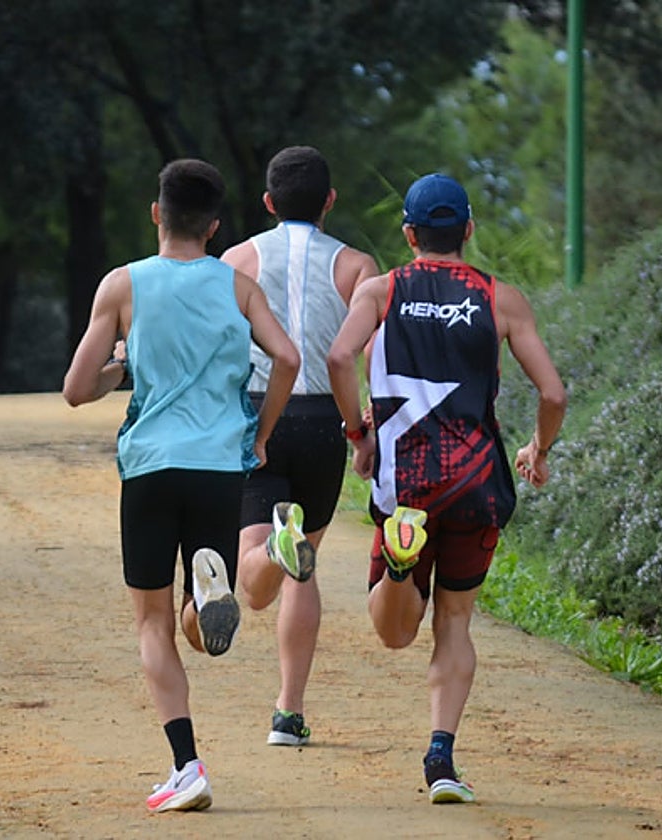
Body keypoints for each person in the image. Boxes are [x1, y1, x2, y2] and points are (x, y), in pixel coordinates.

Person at [62, 158, 300, 813]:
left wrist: (120, 367)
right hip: (220, 466)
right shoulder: (237, 286)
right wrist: (260, 433)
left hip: (149, 467)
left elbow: (76, 390)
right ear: (216, 226)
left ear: (156, 214)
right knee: (198, 613)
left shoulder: (123, 285)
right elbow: (287, 357)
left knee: (151, 624)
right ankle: (208, 599)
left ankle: (185, 765)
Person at [326, 173, 566, 804]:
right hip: (477, 480)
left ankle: (402, 568)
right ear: (468, 230)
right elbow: (553, 393)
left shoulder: (381, 291)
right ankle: (441, 757)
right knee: (455, 621)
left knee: (394, 630)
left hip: (404, 482)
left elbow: (338, 358)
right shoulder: (500, 298)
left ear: (409, 235)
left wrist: (358, 433)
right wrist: (538, 450)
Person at [219, 146, 379, 746]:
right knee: (302, 575)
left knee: (253, 581)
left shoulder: (238, 259)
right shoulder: (357, 267)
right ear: (330, 201)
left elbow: (222, 347)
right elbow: (369, 356)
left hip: (260, 412)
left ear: (267, 203)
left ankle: (273, 549)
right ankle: (288, 712)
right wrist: (364, 430)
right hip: (322, 421)